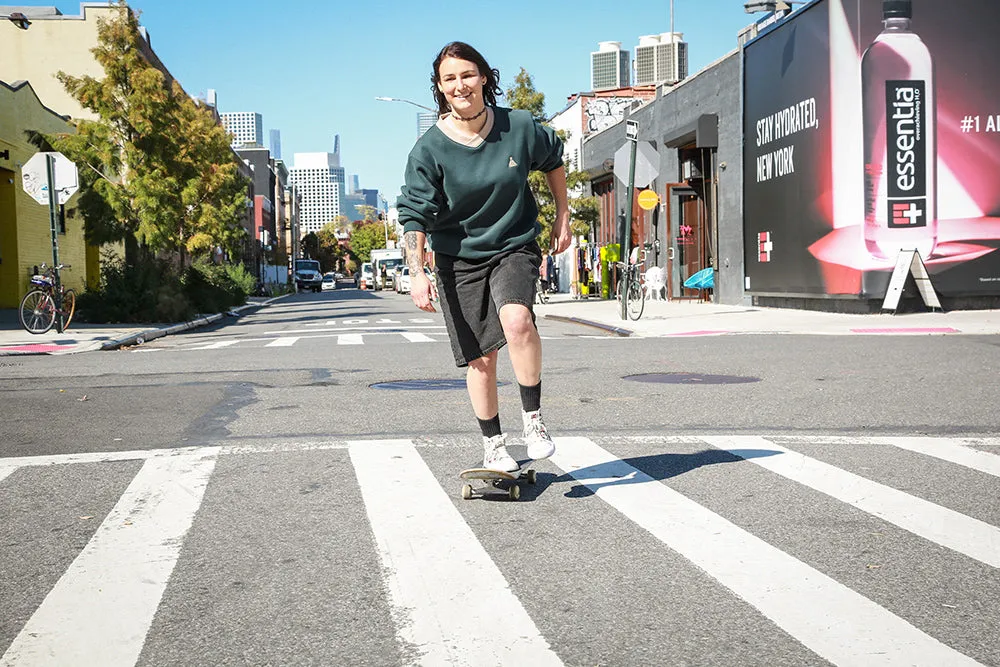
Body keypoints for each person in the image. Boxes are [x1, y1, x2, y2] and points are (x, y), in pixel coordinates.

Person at [396, 41, 571, 473]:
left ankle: (533, 419)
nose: (460, 85)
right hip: (458, 259)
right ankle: (494, 443)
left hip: (513, 244)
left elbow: (553, 158)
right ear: (440, 89)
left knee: (517, 321)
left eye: (468, 75)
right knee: (481, 358)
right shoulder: (429, 150)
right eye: (449, 79)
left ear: (485, 77)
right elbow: (414, 214)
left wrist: (563, 215)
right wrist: (417, 273)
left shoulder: (520, 126)